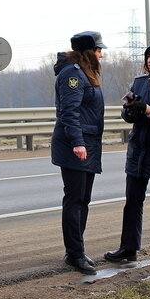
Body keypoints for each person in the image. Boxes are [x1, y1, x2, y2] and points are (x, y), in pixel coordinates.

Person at [104, 41, 150, 268]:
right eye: (148, 56)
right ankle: (129, 248)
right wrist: (130, 110)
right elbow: (127, 116)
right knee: (132, 201)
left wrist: (149, 110)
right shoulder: (139, 82)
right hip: (139, 150)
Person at [51, 31, 106, 275]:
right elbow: (69, 111)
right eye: (98, 50)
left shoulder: (86, 73)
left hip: (88, 144)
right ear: (88, 52)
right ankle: (75, 254)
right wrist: (77, 142)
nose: (101, 54)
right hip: (76, 145)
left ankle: (75, 250)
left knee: (83, 199)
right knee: (74, 200)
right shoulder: (72, 75)